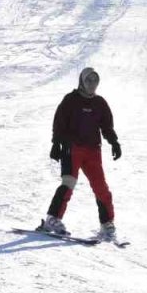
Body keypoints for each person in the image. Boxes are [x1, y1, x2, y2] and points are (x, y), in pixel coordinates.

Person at [39, 67, 121, 241]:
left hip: (93, 150)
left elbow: (107, 126)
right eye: (88, 81)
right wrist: (56, 144)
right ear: (82, 81)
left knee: (101, 187)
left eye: (95, 81)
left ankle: (107, 224)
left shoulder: (100, 103)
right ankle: (52, 220)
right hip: (72, 147)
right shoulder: (71, 100)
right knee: (69, 182)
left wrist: (114, 142)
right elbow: (59, 123)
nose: (92, 84)